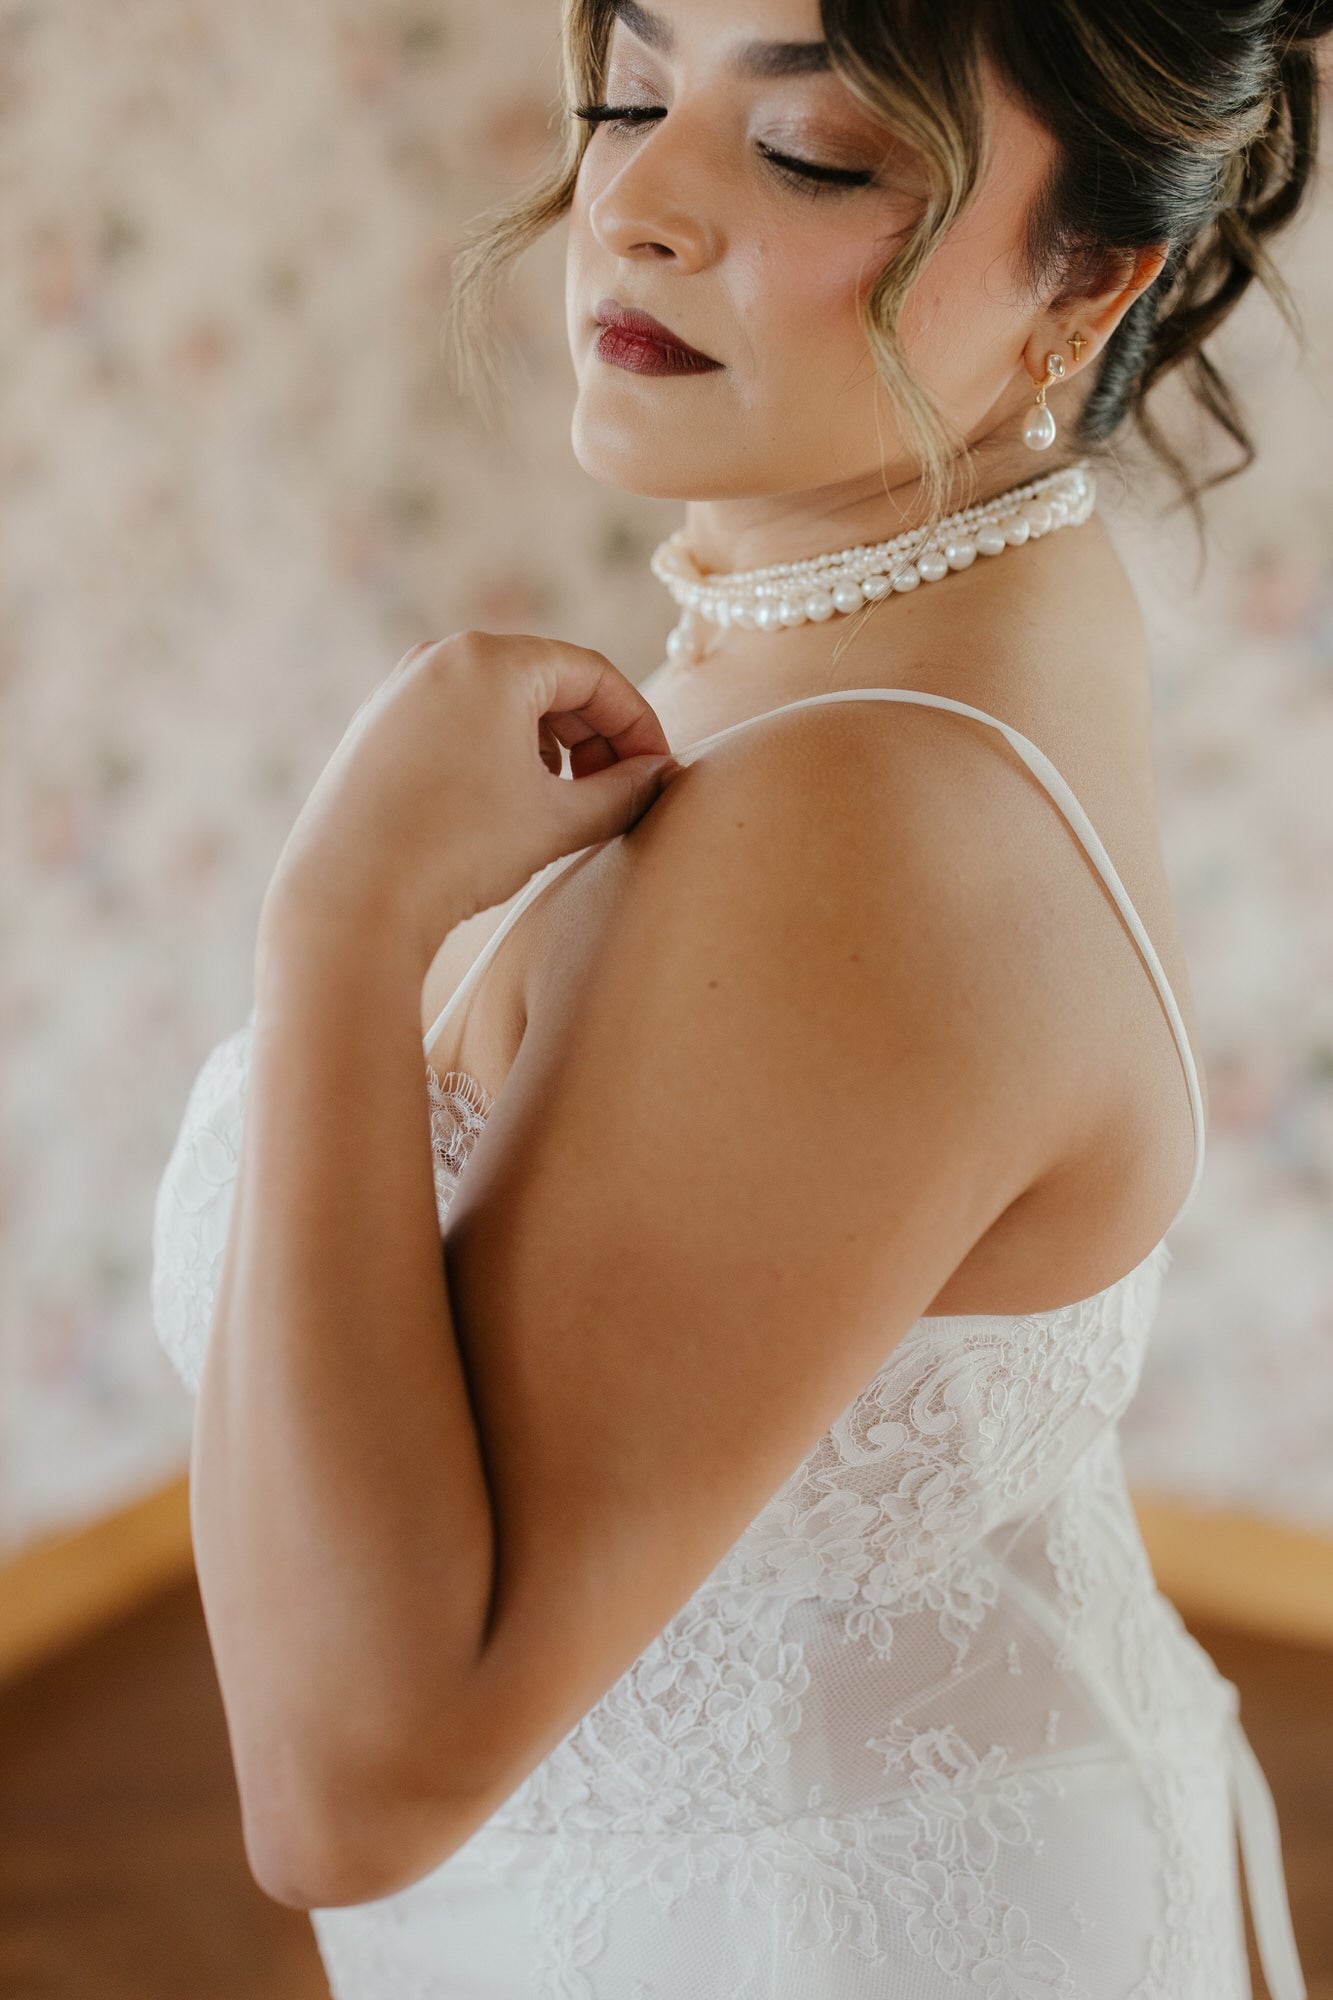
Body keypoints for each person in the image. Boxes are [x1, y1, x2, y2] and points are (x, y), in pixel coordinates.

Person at [149, 0, 1328, 1993]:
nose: (640, 201)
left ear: (1092, 278)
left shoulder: (865, 821)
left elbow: (349, 1782)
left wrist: (338, 923)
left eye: (810, 156)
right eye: (631, 89)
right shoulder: (929, 586)